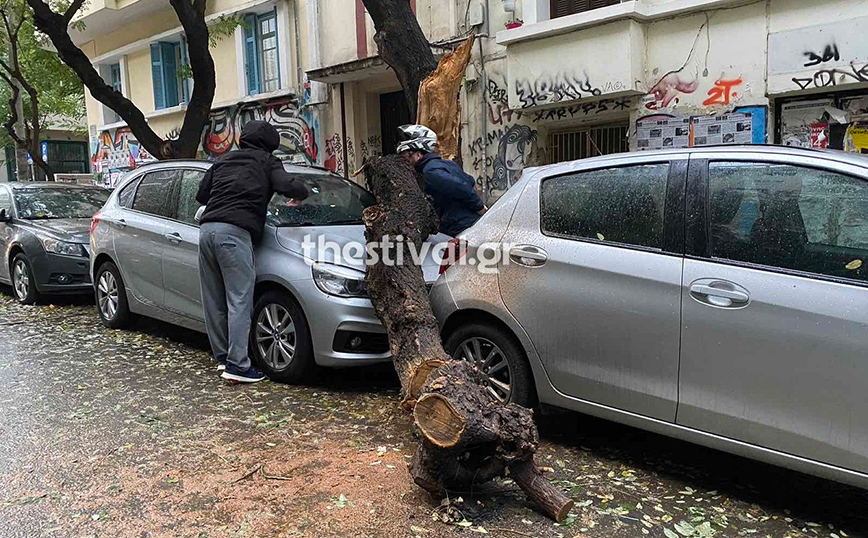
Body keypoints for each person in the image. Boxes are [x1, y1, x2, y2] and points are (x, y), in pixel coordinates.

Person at [196, 120, 309, 383]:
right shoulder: (266, 161)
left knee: (214, 298)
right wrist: (301, 193)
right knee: (239, 299)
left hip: (207, 231)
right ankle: (238, 366)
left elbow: (202, 194)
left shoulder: (223, 160)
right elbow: (287, 185)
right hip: (234, 234)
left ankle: (224, 357)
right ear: (270, 144)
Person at [397, 124, 487, 237]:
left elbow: (460, 187)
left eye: (407, 158)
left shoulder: (430, 172)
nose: (406, 163)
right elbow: (470, 181)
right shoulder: (447, 164)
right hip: (469, 225)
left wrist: (481, 209)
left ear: (418, 155)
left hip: (460, 228)